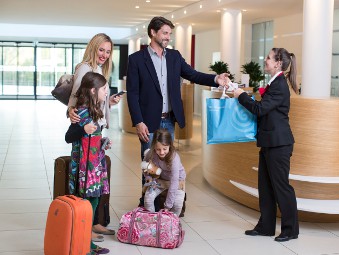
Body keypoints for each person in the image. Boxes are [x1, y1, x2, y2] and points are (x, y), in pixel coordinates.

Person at [126, 16, 229, 206]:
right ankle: (146, 203)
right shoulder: (137, 60)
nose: (168, 37)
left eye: (169, 34)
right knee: (149, 164)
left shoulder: (174, 57)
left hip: (168, 120)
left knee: (167, 164)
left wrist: (216, 79)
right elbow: (132, 94)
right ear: (153, 32)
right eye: (165, 33)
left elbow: (193, 74)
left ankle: (165, 202)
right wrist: (138, 121)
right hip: (147, 122)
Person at [233, 48, 299, 242]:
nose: (265, 60)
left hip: (279, 144)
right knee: (266, 187)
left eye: (268, 58)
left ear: (278, 63)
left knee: (281, 188)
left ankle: (290, 230)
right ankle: (266, 226)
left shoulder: (279, 85)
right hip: (270, 142)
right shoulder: (274, 83)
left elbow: (260, 109)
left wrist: (241, 95)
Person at [67, 33, 119, 241]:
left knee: (95, 185)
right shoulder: (85, 68)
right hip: (84, 129)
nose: (105, 55)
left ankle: (94, 222)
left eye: (108, 51)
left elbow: (97, 99)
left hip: (95, 129)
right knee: (85, 185)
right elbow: (77, 96)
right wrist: (71, 111)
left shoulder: (99, 69)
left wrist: (109, 102)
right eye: (101, 50)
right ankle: (84, 226)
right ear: (93, 48)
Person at [65, 72, 111, 255]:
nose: (107, 92)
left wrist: (104, 142)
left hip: (95, 166)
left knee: (94, 201)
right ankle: (85, 244)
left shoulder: (95, 111)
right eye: (104, 89)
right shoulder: (81, 112)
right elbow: (68, 137)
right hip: (85, 169)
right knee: (86, 206)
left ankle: (86, 240)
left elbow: (94, 138)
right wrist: (83, 129)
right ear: (93, 91)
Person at [143, 129, 186, 216]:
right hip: (160, 180)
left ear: (170, 145)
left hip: (177, 181)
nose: (161, 152)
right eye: (158, 149)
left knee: (177, 205)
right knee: (148, 199)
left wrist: (167, 206)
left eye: (164, 149)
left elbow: (174, 182)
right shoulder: (150, 153)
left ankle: (171, 223)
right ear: (154, 146)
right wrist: (149, 178)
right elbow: (144, 166)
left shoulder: (174, 158)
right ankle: (152, 221)